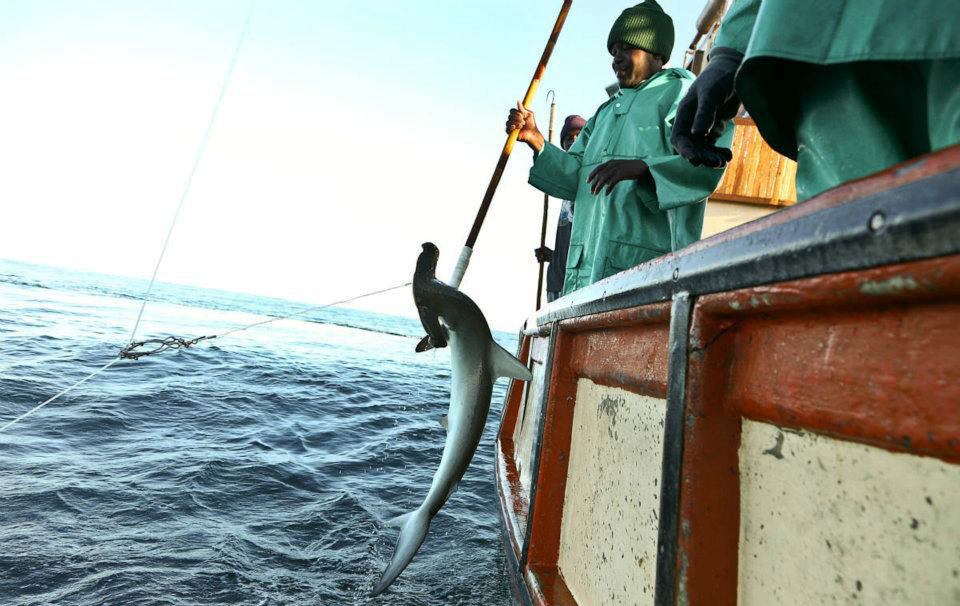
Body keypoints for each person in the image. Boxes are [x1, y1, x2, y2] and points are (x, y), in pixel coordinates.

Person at [508, 0, 731, 295]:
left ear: (655, 52)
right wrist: (536, 140)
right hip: (584, 278)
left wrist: (644, 169)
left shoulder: (682, 92)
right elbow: (575, 179)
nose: (617, 58)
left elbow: (707, 162)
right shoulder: (602, 114)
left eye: (627, 48)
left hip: (646, 277)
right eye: (613, 52)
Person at [670, 0, 960, 202]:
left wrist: (734, 45)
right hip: (827, 45)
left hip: (829, 37)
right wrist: (731, 51)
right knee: (850, 232)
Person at [534, 115, 586, 302]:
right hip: (556, 280)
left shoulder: (590, 180)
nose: (573, 140)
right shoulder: (564, 187)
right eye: (568, 138)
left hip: (580, 282)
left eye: (579, 136)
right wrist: (553, 256)